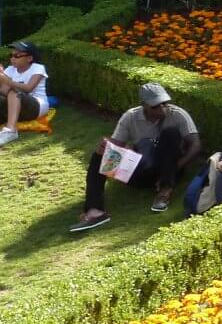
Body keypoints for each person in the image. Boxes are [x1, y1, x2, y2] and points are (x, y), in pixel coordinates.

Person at [70, 83, 201, 232]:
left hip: (171, 169)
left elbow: (196, 145)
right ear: (144, 105)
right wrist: (107, 149)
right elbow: (115, 148)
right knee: (100, 155)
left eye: (164, 103)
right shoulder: (130, 117)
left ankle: (165, 191)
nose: (162, 108)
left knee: (171, 132)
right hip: (143, 169)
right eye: (155, 106)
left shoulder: (178, 114)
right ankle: (95, 211)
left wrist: (172, 169)